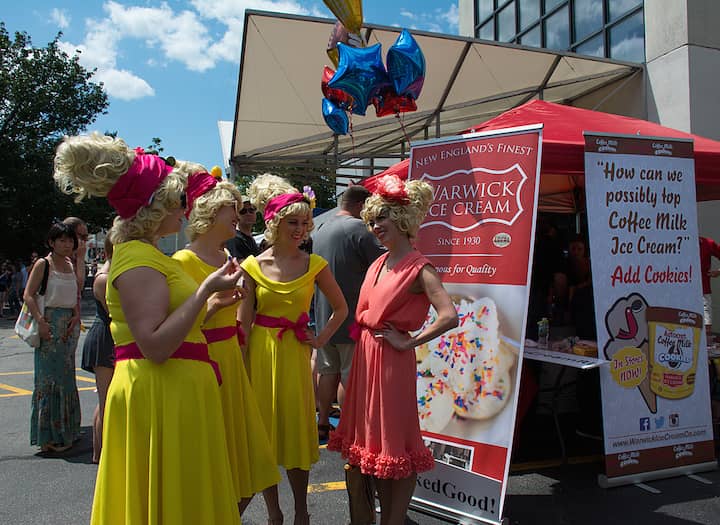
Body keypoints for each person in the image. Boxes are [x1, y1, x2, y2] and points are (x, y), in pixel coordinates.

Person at [53, 132, 243, 524]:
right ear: (155, 208)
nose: (185, 210)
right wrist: (207, 288)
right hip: (162, 394)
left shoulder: (147, 254)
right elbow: (155, 345)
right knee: (169, 501)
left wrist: (209, 298)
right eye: (178, 202)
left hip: (172, 393)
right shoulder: (139, 259)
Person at [327, 174, 458, 525]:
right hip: (366, 359)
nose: (375, 226)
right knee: (369, 447)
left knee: (392, 446)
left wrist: (410, 340)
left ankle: (393, 519)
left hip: (390, 365)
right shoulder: (377, 263)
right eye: (372, 219)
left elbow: (449, 316)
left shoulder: (420, 267)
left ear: (401, 219)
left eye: (382, 218)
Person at [239, 173, 348, 525]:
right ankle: (275, 514)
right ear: (274, 223)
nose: (301, 229)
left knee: (297, 440)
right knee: (264, 441)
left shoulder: (314, 264)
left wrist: (319, 339)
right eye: (293, 222)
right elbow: (244, 323)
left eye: (304, 222)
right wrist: (238, 369)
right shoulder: (251, 267)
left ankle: (302, 510)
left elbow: (342, 308)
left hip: (294, 357)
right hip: (260, 355)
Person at [173, 169, 280, 515]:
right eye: (230, 208)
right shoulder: (183, 262)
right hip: (203, 362)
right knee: (214, 454)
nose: (238, 213)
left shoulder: (228, 259)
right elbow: (178, 327)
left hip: (232, 360)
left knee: (251, 456)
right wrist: (215, 304)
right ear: (208, 212)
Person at [313, 185, 385, 442]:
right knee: (348, 374)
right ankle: (347, 425)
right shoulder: (358, 229)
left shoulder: (320, 230)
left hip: (324, 316)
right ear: (362, 205)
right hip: (350, 316)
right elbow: (385, 265)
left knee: (327, 371)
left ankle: (322, 422)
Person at [24, 222, 81, 453]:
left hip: (68, 325)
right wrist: (41, 321)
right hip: (49, 322)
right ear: (51, 242)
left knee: (67, 379)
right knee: (48, 381)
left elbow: (75, 293)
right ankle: (47, 436)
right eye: (62, 241)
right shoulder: (43, 264)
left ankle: (67, 431)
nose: (67, 245)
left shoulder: (70, 263)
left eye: (70, 241)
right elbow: (28, 295)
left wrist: (76, 314)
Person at [80, 236, 114, 463]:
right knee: (105, 402)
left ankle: (100, 453)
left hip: (109, 336)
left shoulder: (112, 273)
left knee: (107, 399)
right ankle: (99, 455)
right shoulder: (104, 277)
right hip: (104, 339)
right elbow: (115, 312)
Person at [226, 195, 260, 260]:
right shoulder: (234, 238)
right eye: (243, 211)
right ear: (236, 215)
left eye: (251, 210)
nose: (248, 213)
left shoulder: (250, 239)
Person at [699, 236, 720, 339]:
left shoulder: (708, 243)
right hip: (683, 292)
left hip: (703, 290)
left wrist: (718, 272)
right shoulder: (678, 243)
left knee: (707, 324)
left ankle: (706, 351)